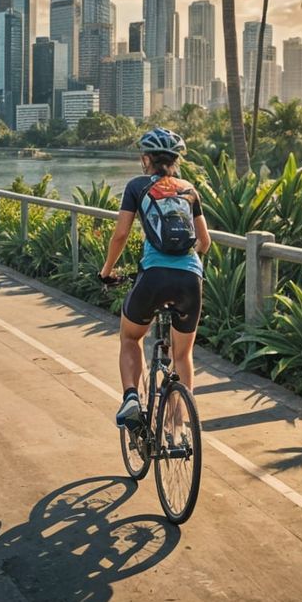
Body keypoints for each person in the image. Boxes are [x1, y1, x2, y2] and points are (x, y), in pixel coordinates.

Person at [98, 127, 210, 429]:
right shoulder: (189, 189)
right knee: (182, 355)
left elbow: (121, 234)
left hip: (153, 277)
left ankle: (132, 398)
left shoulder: (137, 186)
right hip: (190, 279)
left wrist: (107, 271)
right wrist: (186, 265)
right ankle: (178, 427)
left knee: (131, 337)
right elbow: (205, 241)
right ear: (175, 160)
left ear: (146, 159)